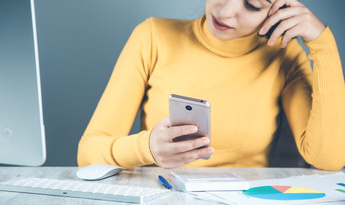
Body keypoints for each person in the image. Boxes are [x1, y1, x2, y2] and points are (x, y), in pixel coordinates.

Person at [78, 0, 345, 171]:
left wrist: (323, 44)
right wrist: (146, 148)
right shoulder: (152, 36)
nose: (226, 12)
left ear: (281, 9)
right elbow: (88, 152)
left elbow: (329, 159)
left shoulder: (284, 57)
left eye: (252, 5)